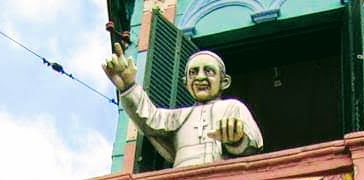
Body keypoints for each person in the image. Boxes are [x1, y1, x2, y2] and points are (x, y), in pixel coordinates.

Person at [103, 43, 263, 169]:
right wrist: (129, 87)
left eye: (209, 71)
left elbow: (254, 143)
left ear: (224, 81)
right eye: (193, 72)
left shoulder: (232, 107)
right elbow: (150, 118)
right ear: (185, 83)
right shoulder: (179, 115)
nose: (200, 77)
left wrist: (237, 139)